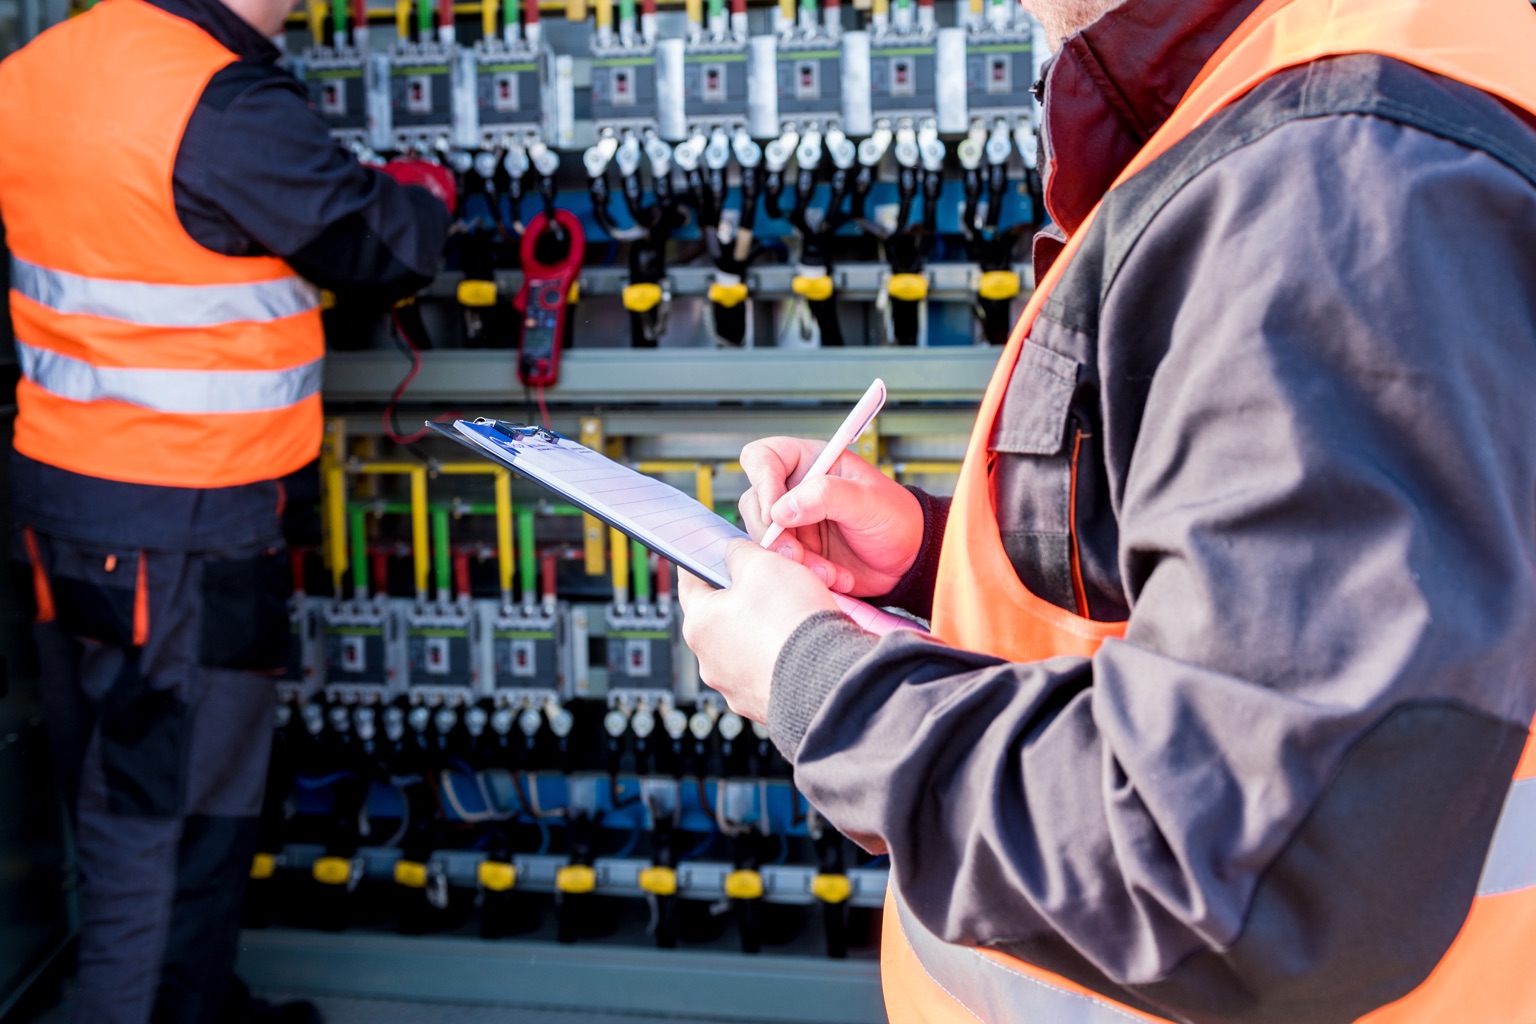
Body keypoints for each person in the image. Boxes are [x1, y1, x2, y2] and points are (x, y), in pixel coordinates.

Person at [678, 0, 1536, 1020]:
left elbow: (1226, 859)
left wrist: (818, 685)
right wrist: (927, 555)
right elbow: (1311, 595)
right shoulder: (1336, 103)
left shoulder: (1335, 168)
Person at [0, 0, 450, 1016]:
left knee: (119, 799)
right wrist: (426, 194)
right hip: (183, 532)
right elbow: (384, 245)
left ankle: (197, 999)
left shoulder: (41, 62)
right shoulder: (214, 101)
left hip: (65, 503)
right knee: (162, 827)